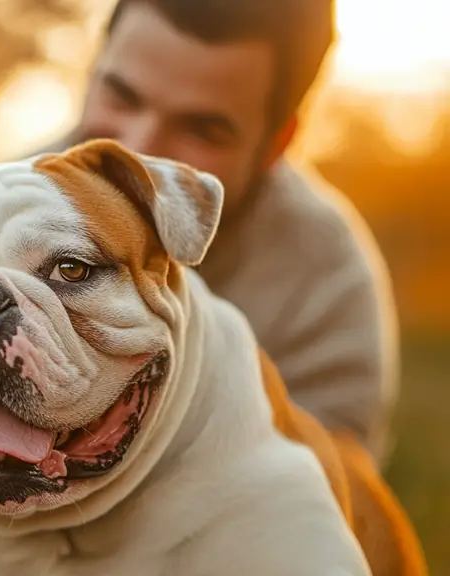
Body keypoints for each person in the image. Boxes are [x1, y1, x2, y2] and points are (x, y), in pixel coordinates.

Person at [34, 0, 400, 462]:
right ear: (91, 71)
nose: (139, 152)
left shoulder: (326, 281)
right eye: (122, 97)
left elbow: (334, 492)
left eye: (202, 131)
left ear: (277, 145)